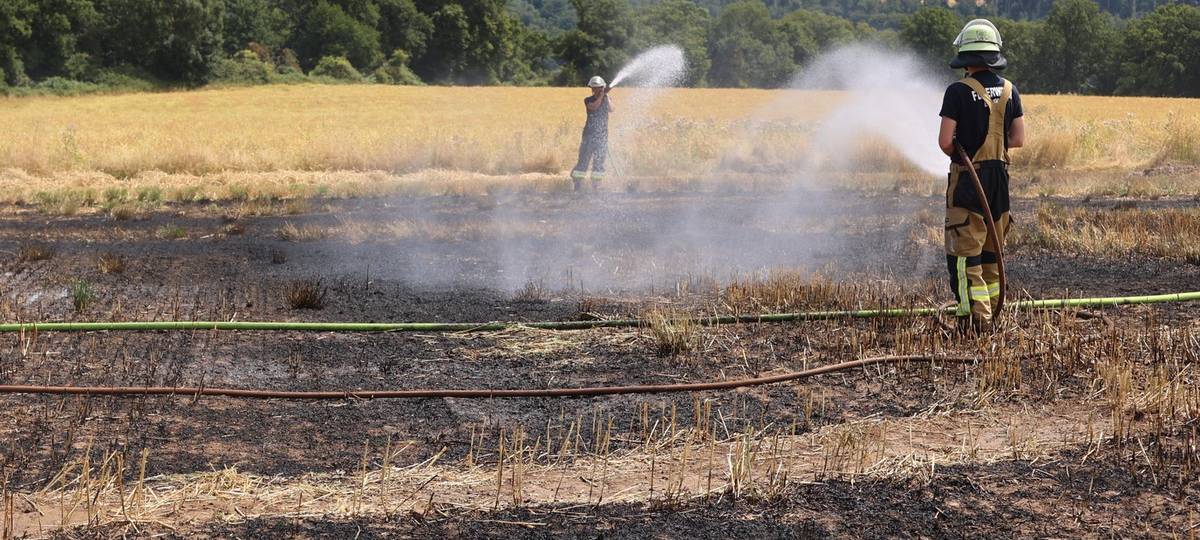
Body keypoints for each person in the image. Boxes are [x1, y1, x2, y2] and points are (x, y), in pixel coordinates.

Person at [937, 19, 1026, 332]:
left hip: (968, 181)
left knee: (965, 256)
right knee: (991, 253)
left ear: (965, 57)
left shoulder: (957, 91)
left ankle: (975, 320)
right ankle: (992, 315)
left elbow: (945, 142)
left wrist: (963, 152)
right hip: (999, 181)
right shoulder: (1010, 91)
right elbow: (1018, 139)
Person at [570, 76, 615, 192]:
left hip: (602, 137)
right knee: (583, 162)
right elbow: (594, 107)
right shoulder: (588, 100)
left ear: (602, 87)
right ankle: (577, 185)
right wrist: (601, 96)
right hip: (588, 136)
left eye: (598, 88)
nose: (595, 90)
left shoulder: (606, 99)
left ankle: (596, 187)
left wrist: (606, 96)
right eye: (593, 88)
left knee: (599, 163)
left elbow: (612, 109)